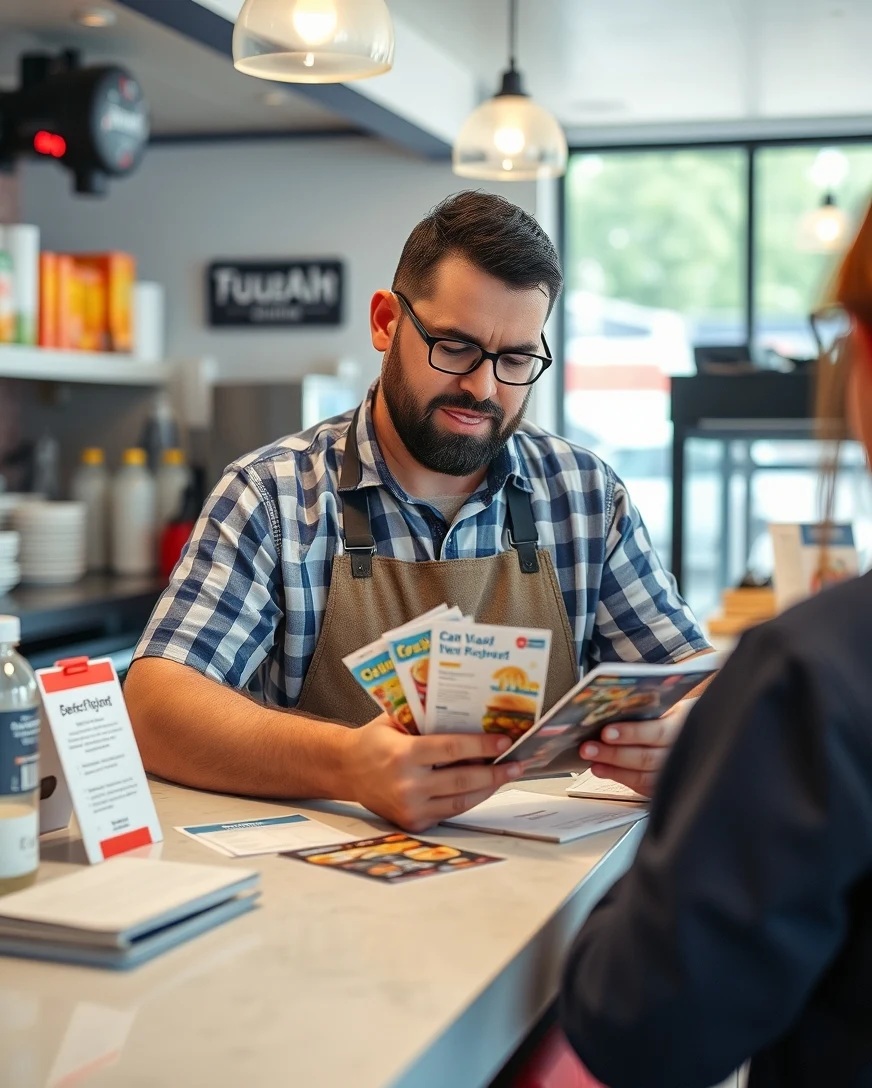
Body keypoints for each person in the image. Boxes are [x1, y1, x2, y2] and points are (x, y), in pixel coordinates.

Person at [125, 191, 708, 832]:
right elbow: (155, 707)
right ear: (385, 322)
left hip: (551, 896)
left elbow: (690, 676)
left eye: (516, 360)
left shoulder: (585, 497)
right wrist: (344, 763)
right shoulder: (274, 497)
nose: (483, 389)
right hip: (334, 893)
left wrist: (684, 738)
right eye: (455, 347)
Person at [560, 201, 872, 1087]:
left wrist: (697, 775)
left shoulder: (820, 672)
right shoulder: (275, 490)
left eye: (518, 357)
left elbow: (644, 1026)